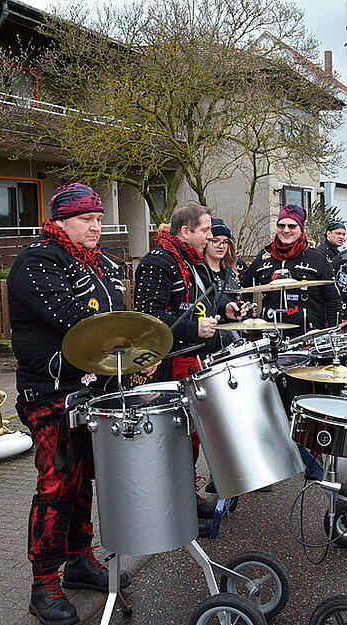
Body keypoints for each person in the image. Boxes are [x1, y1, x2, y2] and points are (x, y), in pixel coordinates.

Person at [9, 183, 143, 625]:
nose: (96, 226)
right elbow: (76, 322)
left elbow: (119, 314)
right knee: (57, 483)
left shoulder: (100, 263)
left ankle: (80, 560)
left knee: (84, 477)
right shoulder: (38, 261)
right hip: (49, 393)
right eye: (87, 219)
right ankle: (43, 582)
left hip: (93, 390)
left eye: (99, 219)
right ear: (61, 221)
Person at [133, 202, 241, 535]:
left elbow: (202, 303)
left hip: (193, 360)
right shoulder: (157, 264)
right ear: (185, 232)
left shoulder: (189, 262)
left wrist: (226, 308)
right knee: (175, 441)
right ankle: (175, 507)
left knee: (190, 440)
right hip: (168, 365)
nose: (211, 236)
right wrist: (193, 331)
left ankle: (187, 498)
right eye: (205, 230)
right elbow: (147, 320)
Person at [240, 204, 341, 333]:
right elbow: (244, 288)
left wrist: (332, 333)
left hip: (307, 337)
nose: (286, 230)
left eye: (292, 226)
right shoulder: (265, 256)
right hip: (271, 336)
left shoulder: (317, 258)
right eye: (281, 225)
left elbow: (333, 300)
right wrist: (249, 318)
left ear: (301, 228)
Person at [203, 218, 241, 348]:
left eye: (225, 242)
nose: (221, 246)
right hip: (212, 340)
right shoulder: (200, 272)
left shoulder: (231, 272)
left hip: (235, 336)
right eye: (215, 241)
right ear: (206, 242)